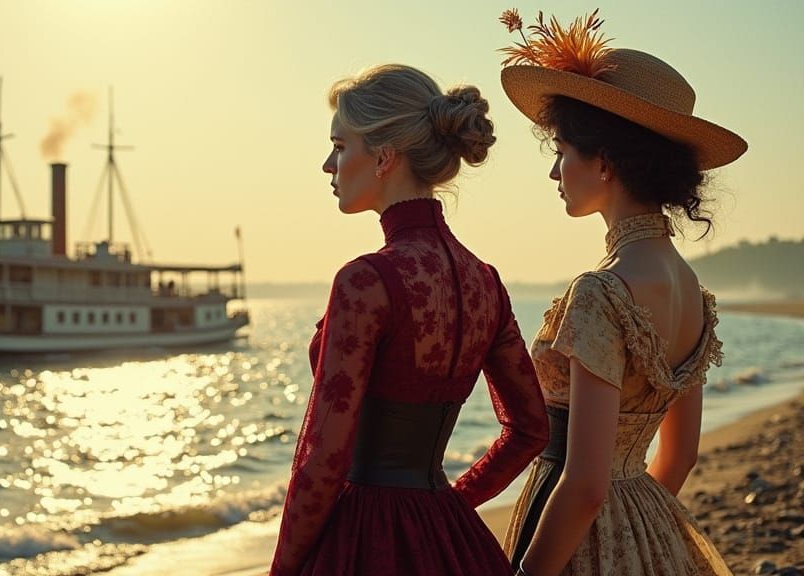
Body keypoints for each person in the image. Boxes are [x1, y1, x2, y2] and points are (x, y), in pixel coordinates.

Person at [269, 63, 549, 576]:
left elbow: (323, 456)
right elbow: (531, 430)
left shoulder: (366, 281)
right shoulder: (485, 281)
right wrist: (448, 506)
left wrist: (284, 570)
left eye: (339, 145)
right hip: (449, 539)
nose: (328, 165)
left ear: (382, 157)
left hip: (360, 538)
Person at [496, 10, 747, 576]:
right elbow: (679, 457)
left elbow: (583, 484)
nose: (555, 172)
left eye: (561, 152)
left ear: (604, 162)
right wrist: (634, 531)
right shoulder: (691, 289)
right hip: (647, 517)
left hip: (572, 532)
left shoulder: (602, 291)